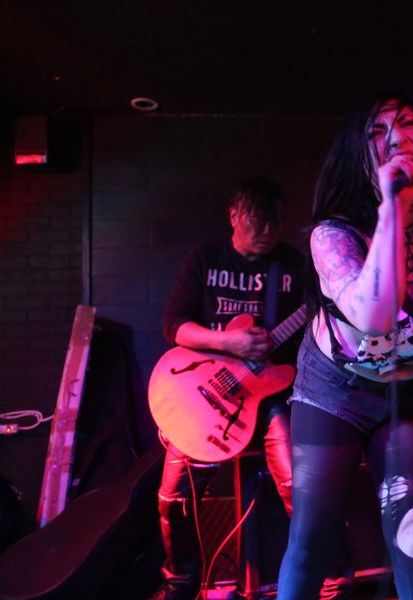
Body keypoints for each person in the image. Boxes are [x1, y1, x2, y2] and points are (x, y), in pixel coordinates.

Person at [276, 93, 413, 600]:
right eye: (376, 132)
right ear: (360, 158)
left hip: (408, 392)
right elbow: (375, 317)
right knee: (313, 543)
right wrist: (394, 207)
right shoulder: (334, 235)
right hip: (333, 393)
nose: (396, 137)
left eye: (408, 123)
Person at [153, 176, 307, 600]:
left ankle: (324, 581)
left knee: (298, 487)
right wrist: (228, 342)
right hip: (206, 393)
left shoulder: (293, 266)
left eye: (275, 223)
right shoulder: (205, 258)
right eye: (257, 221)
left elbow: (313, 333)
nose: (267, 231)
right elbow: (173, 326)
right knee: (173, 497)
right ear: (235, 216)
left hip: (270, 394)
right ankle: (180, 583)